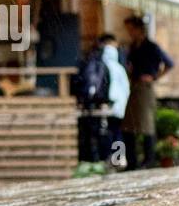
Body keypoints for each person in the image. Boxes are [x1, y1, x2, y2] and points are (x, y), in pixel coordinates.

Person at [122, 14, 173, 169]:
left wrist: (154, 77)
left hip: (145, 89)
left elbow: (169, 63)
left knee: (146, 125)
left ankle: (148, 161)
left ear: (139, 29)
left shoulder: (151, 46)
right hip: (134, 88)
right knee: (128, 125)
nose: (129, 33)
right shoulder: (132, 46)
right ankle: (132, 161)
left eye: (131, 29)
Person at [74, 40, 112, 162]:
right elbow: (106, 84)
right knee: (98, 131)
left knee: (85, 131)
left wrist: (79, 99)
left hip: (86, 102)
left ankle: (87, 157)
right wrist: (104, 100)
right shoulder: (102, 65)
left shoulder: (84, 63)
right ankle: (98, 158)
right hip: (97, 102)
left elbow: (76, 82)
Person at [100, 33, 130, 167]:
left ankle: (107, 158)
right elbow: (126, 89)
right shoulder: (119, 68)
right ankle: (119, 157)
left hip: (103, 105)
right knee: (117, 131)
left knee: (105, 131)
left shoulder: (100, 66)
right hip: (118, 106)